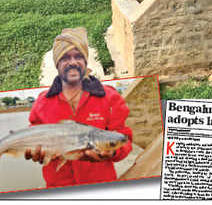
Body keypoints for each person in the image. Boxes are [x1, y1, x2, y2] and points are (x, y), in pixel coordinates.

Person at [24, 27, 133, 188]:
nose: (73, 62)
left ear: (85, 61)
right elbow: (34, 132)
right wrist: (36, 151)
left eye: (78, 56)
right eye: (65, 57)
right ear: (57, 63)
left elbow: (125, 139)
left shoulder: (109, 97)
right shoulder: (42, 102)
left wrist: (114, 151)